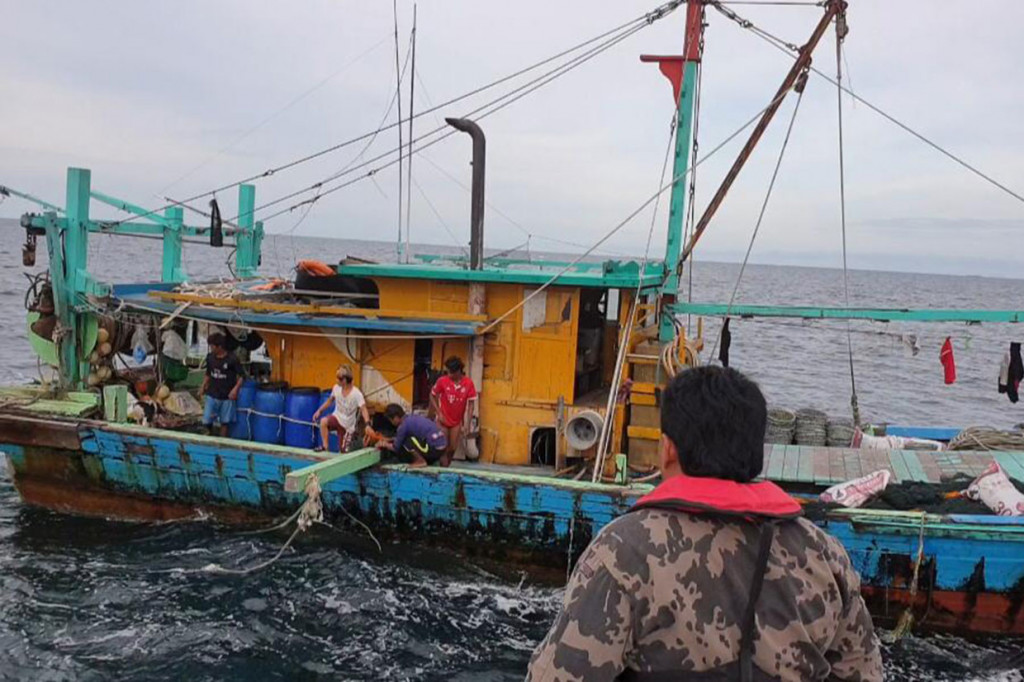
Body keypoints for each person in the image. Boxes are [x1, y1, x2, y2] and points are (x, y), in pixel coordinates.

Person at [527, 366, 882, 682]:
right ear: (756, 452)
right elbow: (863, 670)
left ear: (667, 449)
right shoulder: (824, 553)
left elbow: (560, 674)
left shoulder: (624, 551)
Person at [313, 365, 370, 453]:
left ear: (344, 380)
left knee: (344, 451)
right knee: (323, 422)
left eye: (338, 378)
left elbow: (363, 409)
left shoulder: (356, 394)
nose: (336, 380)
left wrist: (367, 424)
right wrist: (319, 411)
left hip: (347, 426)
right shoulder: (336, 388)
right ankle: (325, 447)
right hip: (337, 418)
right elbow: (330, 400)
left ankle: (351, 445)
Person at [430, 356, 478, 460]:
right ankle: (441, 465)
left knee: (452, 448)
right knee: (442, 446)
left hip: (456, 421)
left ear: (458, 371)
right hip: (443, 419)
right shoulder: (442, 381)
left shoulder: (468, 383)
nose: (449, 375)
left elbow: (471, 405)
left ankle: (446, 464)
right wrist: (438, 412)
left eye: (451, 372)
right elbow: (432, 395)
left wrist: (468, 424)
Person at [200, 334, 244, 437]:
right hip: (212, 394)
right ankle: (208, 436)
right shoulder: (210, 358)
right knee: (207, 419)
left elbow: (241, 376)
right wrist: (203, 386)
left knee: (225, 422)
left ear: (219, 347)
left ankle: (221, 440)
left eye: (212, 346)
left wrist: (235, 389)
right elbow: (208, 373)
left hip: (227, 396)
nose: (211, 349)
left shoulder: (232, 359)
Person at [378, 404, 449, 468]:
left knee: (407, 440)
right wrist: (389, 439)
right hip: (442, 446)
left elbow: (395, 447)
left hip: (433, 450)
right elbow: (399, 437)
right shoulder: (412, 418)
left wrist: (385, 444)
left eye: (390, 420)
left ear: (396, 417)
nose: (391, 423)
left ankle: (420, 461)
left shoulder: (402, 426)